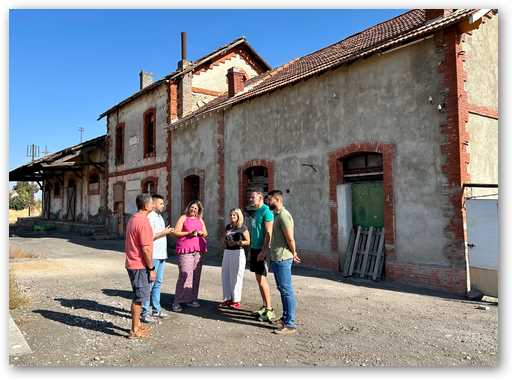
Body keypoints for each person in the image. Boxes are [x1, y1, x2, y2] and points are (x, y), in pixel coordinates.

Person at [267, 190, 301, 335]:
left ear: (277, 200)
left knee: (287, 290)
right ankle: (285, 318)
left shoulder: (284, 216)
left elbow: (290, 238)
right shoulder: (277, 215)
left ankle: (290, 324)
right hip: (276, 258)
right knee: (282, 289)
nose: (268, 202)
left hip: (283, 258)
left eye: (269, 200)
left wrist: (294, 252)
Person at [124, 193, 157, 339]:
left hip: (132, 262)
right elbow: (146, 249)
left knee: (139, 295)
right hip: (138, 264)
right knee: (138, 298)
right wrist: (151, 268)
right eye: (151, 203)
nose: (153, 205)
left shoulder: (133, 218)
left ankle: (137, 325)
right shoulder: (143, 222)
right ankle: (133, 330)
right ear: (146, 205)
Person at [141, 194, 175, 323]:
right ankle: (145, 312)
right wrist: (164, 232)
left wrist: (165, 232)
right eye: (161, 203)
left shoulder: (160, 217)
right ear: (153, 204)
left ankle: (156, 309)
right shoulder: (150, 217)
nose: (163, 206)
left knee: (158, 283)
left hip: (161, 255)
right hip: (153, 255)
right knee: (149, 284)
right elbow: (148, 237)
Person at [171, 200, 208, 312]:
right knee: (185, 274)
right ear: (188, 208)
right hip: (185, 250)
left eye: (196, 208)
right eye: (192, 207)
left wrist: (201, 233)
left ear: (199, 210)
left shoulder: (200, 219)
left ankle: (192, 299)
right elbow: (175, 232)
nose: (193, 210)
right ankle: (177, 302)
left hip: (198, 250)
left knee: (196, 276)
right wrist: (188, 233)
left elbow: (206, 233)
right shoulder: (183, 218)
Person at [248, 191, 275, 322]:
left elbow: (269, 233)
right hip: (254, 249)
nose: (251, 199)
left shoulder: (266, 211)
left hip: (261, 250)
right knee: (259, 279)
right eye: (251, 197)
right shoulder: (256, 211)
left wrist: (264, 251)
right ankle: (264, 306)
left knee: (263, 280)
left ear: (261, 198)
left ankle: (269, 310)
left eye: (253, 197)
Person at [218, 208, 250, 310]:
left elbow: (248, 241)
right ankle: (227, 299)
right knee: (225, 275)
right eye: (231, 215)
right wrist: (226, 241)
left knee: (235, 276)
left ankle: (236, 300)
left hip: (238, 252)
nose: (232, 217)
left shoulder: (243, 227)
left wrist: (237, 243)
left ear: (238, 216)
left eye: (234, 215)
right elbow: (225, 238)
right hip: (227, 252)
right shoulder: (228, 227)